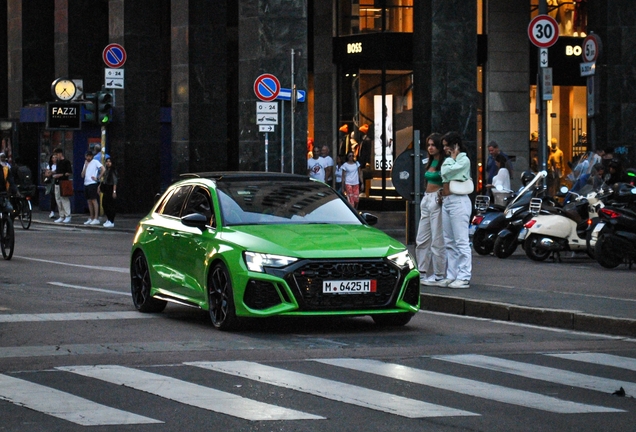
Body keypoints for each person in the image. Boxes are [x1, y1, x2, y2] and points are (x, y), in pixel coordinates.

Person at [439, 132, 472, 289]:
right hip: (448, 200)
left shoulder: (464, 159)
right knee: (450, 241)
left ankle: (464, 276)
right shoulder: (448, 160)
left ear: (455, 145)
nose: (445, 148)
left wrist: (450, 163)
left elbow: (448, 171)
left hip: (459, 200)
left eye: (447, 145)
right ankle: (452, 275)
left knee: (461, 240)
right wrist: (450, 163)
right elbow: (445, 172)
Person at [415, 133, 447, 287]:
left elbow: (448, 180)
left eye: (433, 145)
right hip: (426, 198)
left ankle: (439, 273)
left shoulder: (445, 162)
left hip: (436, 197)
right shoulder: (430, 160)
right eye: (428, 145)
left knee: (437, 238)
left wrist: (443, 193)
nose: (430, 147)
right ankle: (421, 271)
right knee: (422, 238)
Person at [81, 151, 103, 225]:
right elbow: (82, 175)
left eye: (89, 156)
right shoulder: (85, 163)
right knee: (89, 201)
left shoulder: (95, 162)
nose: (88, 158)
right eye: (87, 156)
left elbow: (103, 169)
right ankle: (91, 217)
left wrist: (98, 177)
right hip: (86, 183)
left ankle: (96, 218)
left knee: (94, 200)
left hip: (92, 183)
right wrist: (86, 166)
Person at [52, 147, 73, 223]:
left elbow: (69, 172)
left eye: (56, 154)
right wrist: (52, 172)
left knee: (64, 199)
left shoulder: (66, 162)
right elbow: (57, 171)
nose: (56, 156)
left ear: (60, 153)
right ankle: (61, 215)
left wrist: (59, 175)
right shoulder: (58, 162)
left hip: (63, 182)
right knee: (58, 200)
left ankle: (68, 215)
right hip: (57, 182)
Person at [98, 156, 118, 227]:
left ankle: (111, 220)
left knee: (110, 205)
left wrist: (114, 191)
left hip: (111, 188)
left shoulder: (113, 171)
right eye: (107, 162)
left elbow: (115, 182)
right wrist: (100, 187)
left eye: (109, 161)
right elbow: (104, 180)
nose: (108, 163)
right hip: (106, 188)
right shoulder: (106, 170)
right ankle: (108, 219)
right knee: (104, 204)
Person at [43, 154, 58, 219]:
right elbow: (46, 174)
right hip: (52, 183)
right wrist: (53, 172)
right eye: (53, 158)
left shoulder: (58, 165)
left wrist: (51, 172)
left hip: (57, 181)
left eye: (55, 157)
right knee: (53, 197)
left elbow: (57, 172)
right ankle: (52, 211)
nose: (54, 159)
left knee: (58, 197)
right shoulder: (50, 165)